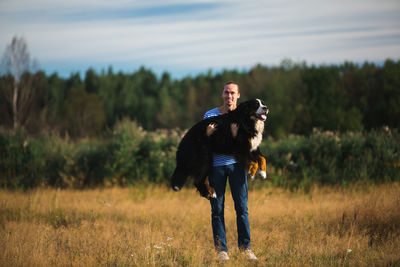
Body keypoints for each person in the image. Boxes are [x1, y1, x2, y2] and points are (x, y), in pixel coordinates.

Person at [203, 82, 258, 261]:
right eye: (226, 93)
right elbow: (202, 143)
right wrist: (208, 135)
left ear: (238, 95)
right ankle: (221, 251)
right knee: (217, 209)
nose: (229, 96)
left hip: (237, 166)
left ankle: (246, 249)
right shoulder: (210, 115)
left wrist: (235, 137)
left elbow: (246, 144)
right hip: (216, 168)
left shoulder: (243, 115)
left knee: (242, 208)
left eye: (233, 93)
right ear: (222, 94)